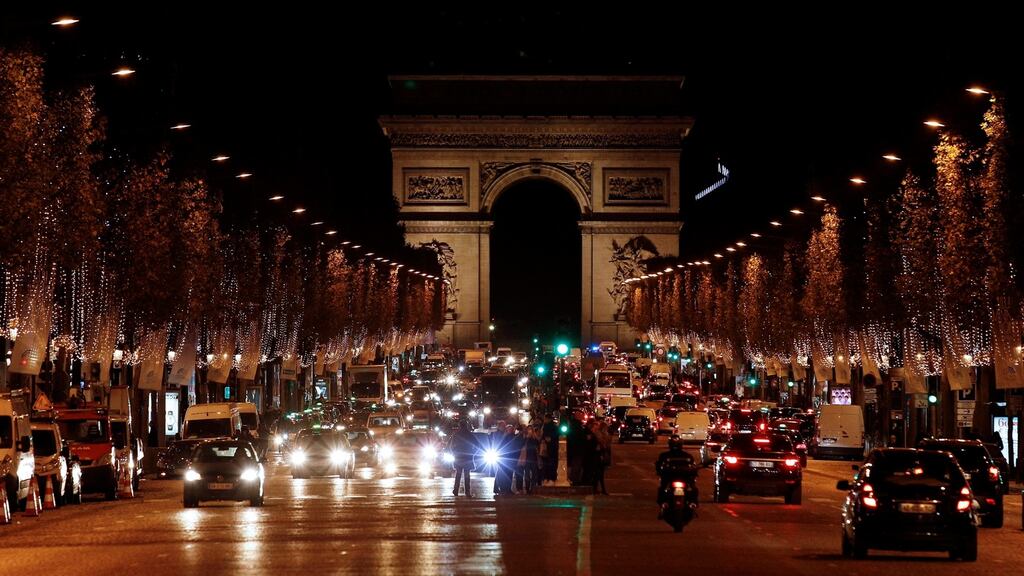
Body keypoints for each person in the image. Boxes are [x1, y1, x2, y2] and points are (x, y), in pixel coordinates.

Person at [654, 435, 698, 518]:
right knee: (663, 489)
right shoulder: (686, 456)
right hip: (673, 479)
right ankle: (692, 504)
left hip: (680, 479)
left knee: (693, 490)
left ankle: (692, 504)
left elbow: (693, 467)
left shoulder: (665, 455)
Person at [452, 420, 477, 496]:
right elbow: (477, 445)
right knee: (467, 475)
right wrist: (473, 453)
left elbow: (452, 446)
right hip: (468, 457)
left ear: (460, 425)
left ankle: (456, 490)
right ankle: (467, 491)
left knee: (458, 474)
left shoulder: (456, 435)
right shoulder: (470, 435)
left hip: (458, 457)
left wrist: (454, 453)